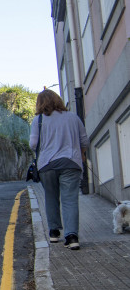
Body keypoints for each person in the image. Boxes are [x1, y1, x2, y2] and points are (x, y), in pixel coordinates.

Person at [29, 89, 89, 249]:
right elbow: (84, 141)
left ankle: (54, 233)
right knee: (70, 199)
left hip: (46, 165)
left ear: (40, 103)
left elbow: (33, 144)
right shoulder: (73, 117)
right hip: (70, 162)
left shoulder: (38, 120)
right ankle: (72, 237)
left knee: (51, 197)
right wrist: (81, 154)